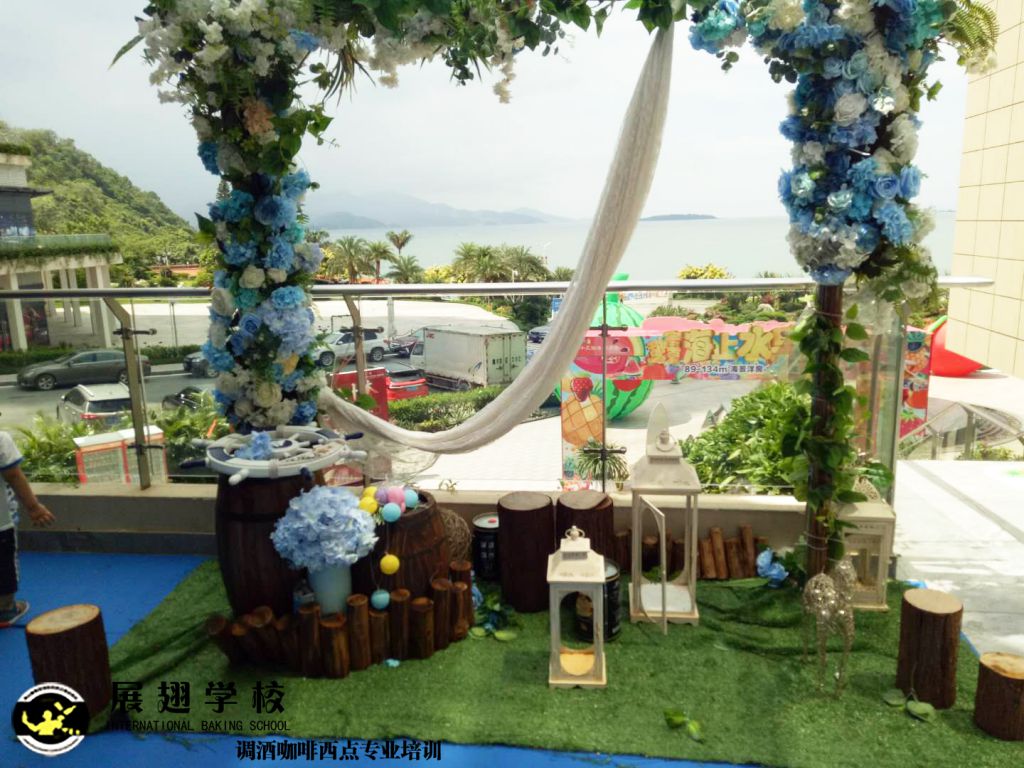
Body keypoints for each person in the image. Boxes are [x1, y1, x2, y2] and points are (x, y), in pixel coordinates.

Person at [1, 429, 55, 627]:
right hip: (1, 523)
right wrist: (34, 508)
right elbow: (14, 475)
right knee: (4, 563)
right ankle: (5, 609)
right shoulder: (1, 439)